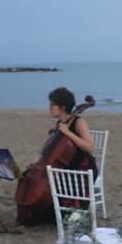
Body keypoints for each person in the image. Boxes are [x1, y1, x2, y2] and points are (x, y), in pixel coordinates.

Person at [16, 87, 97, 226]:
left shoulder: (78, 122)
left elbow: (90, 147)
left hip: (80, 168)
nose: (50, 108)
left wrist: (68, 133)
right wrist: (37, 164)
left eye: (53, 105)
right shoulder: (60, 124)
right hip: (64, 166)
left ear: (63, 106)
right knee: (27, 177)